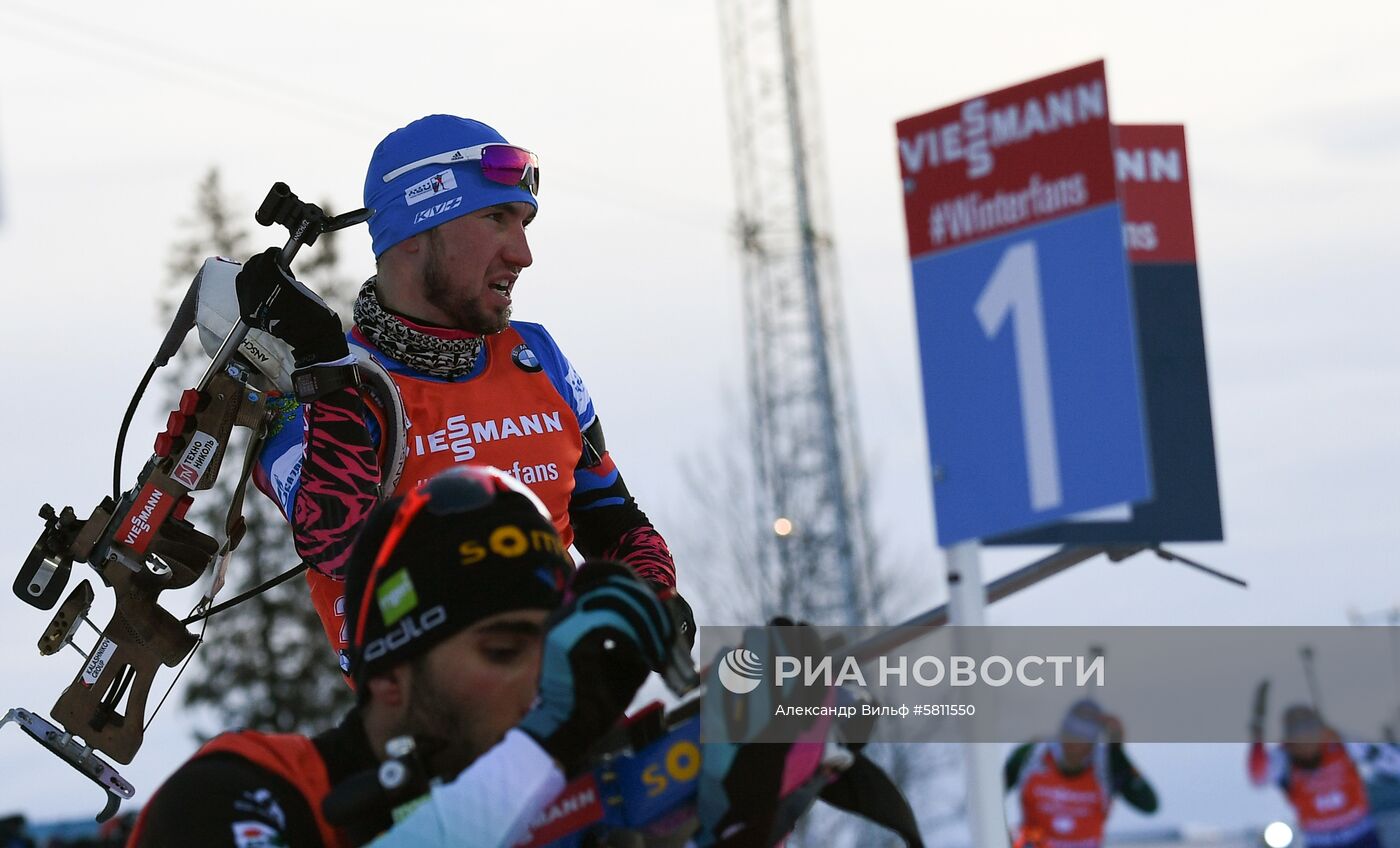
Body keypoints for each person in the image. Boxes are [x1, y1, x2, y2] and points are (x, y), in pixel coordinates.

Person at [238, 113, 686, 670]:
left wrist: (655, 603)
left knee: (797, 696)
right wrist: (326, 369)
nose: (523, 254)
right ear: (413, 237)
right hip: (443, 735)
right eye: (497, 219)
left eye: (524, 224)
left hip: (581, 704)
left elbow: (612, 519)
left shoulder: (536, 355)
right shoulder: (323, 384)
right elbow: (337, 546)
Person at [127, 465, 676, 847]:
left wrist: (756, 690)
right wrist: (542, 747)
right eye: (504, 651)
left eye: (557, 646)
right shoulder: (239, 794)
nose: (548, 680)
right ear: (391, 673)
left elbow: (754, 730)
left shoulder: (576, 790)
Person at [1004, 699, 1158, 848]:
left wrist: (1117, 751)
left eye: (1083, 739)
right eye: (1070, 735)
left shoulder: (1107, 763)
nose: (1074, 747)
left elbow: (1149, 805)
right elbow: (989, 796)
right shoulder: (1031, 755)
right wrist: (1006, 835)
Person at [1249, 703, 1400, 848]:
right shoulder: (1282, 758)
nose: (1305, 740)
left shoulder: (1342, 743)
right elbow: (1258, 778)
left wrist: (1368, 749)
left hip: (1362, 835)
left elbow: (1394, 764)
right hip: (1319, 840)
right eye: (1296, 732)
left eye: (1309, 729)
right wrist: (1257, 740)